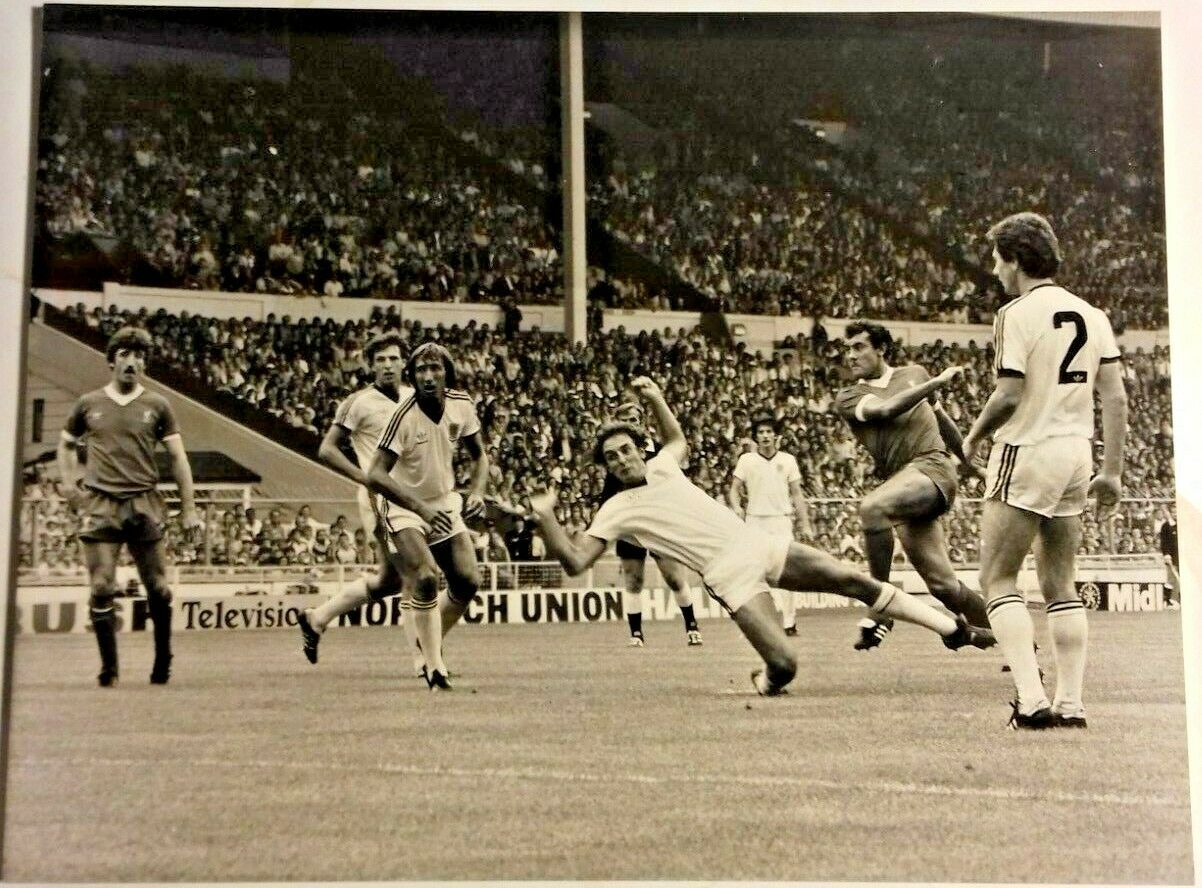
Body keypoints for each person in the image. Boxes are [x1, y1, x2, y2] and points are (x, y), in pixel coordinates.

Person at [529, 377, 995, 697]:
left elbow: (676, 440)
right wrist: (545, 517)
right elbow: (574, 562)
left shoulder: (662, 465)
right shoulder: (613, 509)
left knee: (853, 580)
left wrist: (654, 398)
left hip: (757, 543)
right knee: (786, 667)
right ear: (606, 468)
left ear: (639, 449)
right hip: (728, 577)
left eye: (626, 449)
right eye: (611, 457)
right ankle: (765, 679)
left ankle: (951, 629)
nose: (621, 459)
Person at [961, 212, 1127, 730]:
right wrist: (1112, 472)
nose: (994, 269)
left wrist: (973, 435)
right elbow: (1115, 397)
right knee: (1061, 582)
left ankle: (1032, 701)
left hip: (1027, 450)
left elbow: (1009, 394)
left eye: (997, 258)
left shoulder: (1016, 314)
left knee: (997, 577)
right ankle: (1072, 704)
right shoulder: (1092, 314)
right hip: (1076, 454)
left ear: (1015, 260)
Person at [57, 326, 203, 687]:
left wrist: (189, 509)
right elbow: (65, 445)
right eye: (124, 354)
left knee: (158, 587)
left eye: (139, 355)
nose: (132, 362)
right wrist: (69, 484)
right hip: (101, 502)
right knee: (101, 587)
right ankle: (109, 669)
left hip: (144, 501)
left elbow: (179, 459)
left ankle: (162, 661)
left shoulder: (157, 406)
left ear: (145, 364)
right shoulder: (88, 404)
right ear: (111, 361)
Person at [833, 321, 991, 651]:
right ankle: (1016, 640)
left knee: (872, 508)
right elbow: (888, 408)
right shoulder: (849, 396)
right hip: (902, 486)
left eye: (859, 347)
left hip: (932, 468)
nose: (850, 356)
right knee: (943, 586)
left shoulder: (914, 373)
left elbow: (944, 423)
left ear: (882, 350)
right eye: (847, 349)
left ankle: (879, 607)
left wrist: (972, 465)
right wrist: (936, 382)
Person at [297, 332, 425, 675]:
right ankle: (424, 661)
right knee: (415, 573)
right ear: (370, 365)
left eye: (393, 359)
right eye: (380, 360)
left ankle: (317, 618)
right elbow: (327, 449)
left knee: (390, 581)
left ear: (404, 363)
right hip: (380, 499)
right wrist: (363, 477)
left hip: (412, 497)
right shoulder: (358, 402)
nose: (387, 366)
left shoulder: (416, 398)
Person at [367, 342, 490, 691]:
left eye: (435, 368)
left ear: (447, 374)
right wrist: (420, 509)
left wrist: (477, 492)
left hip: (443, 501)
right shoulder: (402, 416)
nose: (428, 376)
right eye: (420, 370)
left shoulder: (461, 405)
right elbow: (375, 474)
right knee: (425, 577)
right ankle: (435, 669)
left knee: (468, 580)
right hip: (405, 506)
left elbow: (480, 456)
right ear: (412, 376)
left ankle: (427, 643)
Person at [601, 399, 703, 647]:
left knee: (673, 578)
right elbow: (608, 494)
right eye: (626, 421)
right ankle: (636, 634)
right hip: (632, 526)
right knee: (634, 580)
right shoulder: (617, 458)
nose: (631, 424)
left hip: (659, 524)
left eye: (634, 420)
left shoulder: (659, 452)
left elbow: (675, 484)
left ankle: (692, 626)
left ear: (642, 423)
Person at [728, 413, 812, 635]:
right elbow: (734, 489)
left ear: (776, 436)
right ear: (755, 437)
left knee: (786, 572)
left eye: (768, 432)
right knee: (756, 573)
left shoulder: (787, 460)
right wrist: (736, 507)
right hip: (755, 521)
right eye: (761, 432)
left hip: (781, 521)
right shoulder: (747, 460)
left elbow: (797, 494)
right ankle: (762, 619)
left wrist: (805, 523)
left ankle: (789, 622)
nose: (765, 436)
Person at [1158, 507, 1179, 608]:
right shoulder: (1166, 526)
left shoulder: (1181, 523)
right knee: (1171, 578)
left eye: (1176, 512)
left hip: (1180, 556)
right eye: (1173, 512)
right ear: (1170, 513)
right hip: (1171, 557)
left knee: (1178, 578)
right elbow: (1164, 542)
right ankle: (1167, 600)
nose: (1175, 514)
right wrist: (1166, 554)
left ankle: (1174, 600)